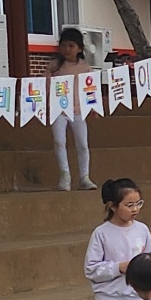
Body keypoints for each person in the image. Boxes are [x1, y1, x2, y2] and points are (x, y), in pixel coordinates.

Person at [45, 27, 96, 191]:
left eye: (71, 46)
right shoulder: (53, 66)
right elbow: (46, 88)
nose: (67, 49)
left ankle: (84, 176)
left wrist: (93, 107)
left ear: (79, 48)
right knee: (59, 141)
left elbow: (91, 89)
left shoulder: (85, 67)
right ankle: (65, 175)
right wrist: (46, 106)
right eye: (64, 46)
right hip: (58, 111)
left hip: (78, 110)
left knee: (82, 144)